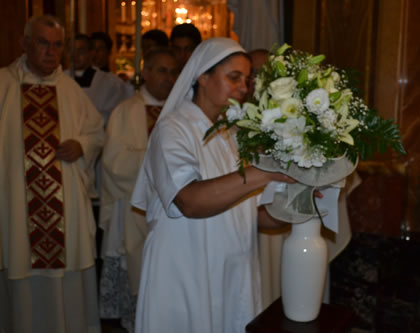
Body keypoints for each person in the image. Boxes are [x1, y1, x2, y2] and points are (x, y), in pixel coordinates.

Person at [130, 37, 295, 333]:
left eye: (246, 79)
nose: (244, 89)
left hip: (231, 272)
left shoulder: (233, 136)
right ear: (203, 77)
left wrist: (300, 201)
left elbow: (257, 217)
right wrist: (263, 172)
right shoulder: (173, 129)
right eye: (234, 77)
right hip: (185, 270)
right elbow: (189, 201)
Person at [0, 15, 104, 333]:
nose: (51, 52)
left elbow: (97, 131)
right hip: (18, 208)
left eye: (58, 45)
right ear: (25, 43)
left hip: (65, 211)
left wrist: (82, 144)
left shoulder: (70, 89)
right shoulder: (3, 84)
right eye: (43, 43)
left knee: (67, 282)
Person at [99, 48, 178, 332]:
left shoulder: (182, 110)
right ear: (145, 73)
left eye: (173, 72)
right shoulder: (125, 111)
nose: (169, 78)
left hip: (177, 211)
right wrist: (159, 160)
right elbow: (113, 163)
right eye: (161, 70)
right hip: (133, 207)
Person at [67, 33, 133, 126]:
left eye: (81, 50)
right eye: (71, 50)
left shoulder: (111, 83)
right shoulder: (61, 79)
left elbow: (118, 117)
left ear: (90, 53)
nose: (75, 55)